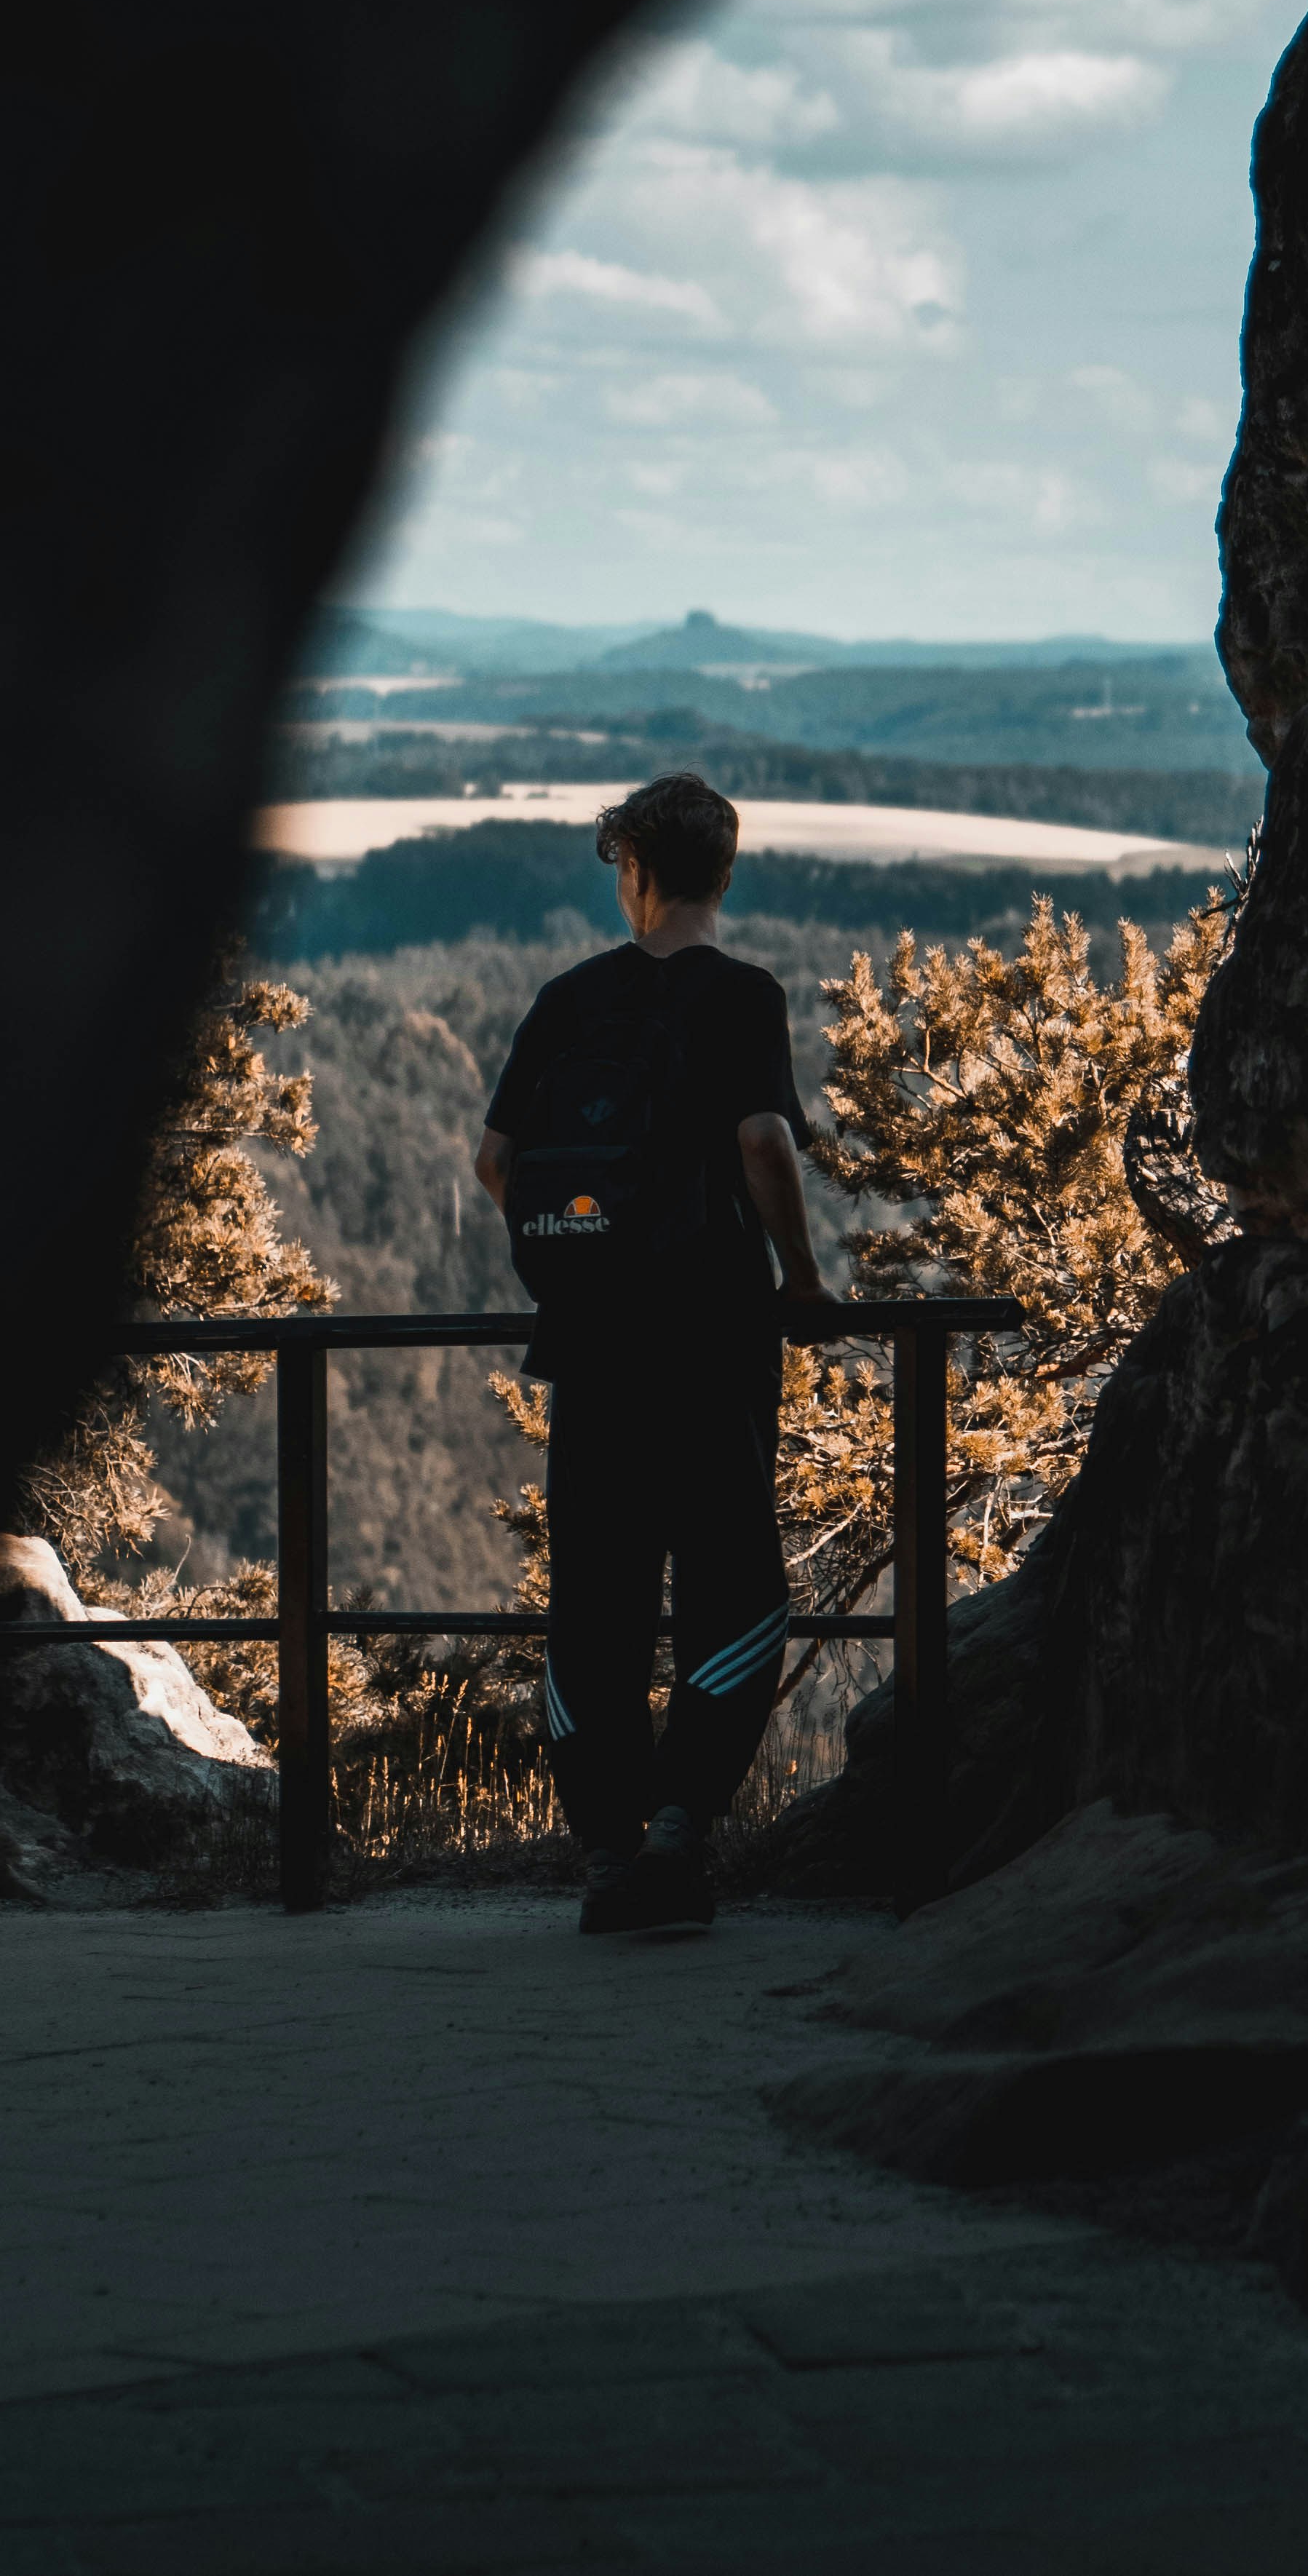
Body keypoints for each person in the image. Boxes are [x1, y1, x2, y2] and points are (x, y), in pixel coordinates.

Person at [475, 773, 830, 1934]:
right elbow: (767, 1138)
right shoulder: (744, 997)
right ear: (723, 874)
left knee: (598, 1596)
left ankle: (605, 1852)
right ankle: (682, 1826)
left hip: (591, 1350)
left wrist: (581, 1254)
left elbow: (497, 1159)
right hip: (713, 1344)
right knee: (733, 1582)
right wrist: (801, 1275)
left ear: (634, 868)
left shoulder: (571, 999)